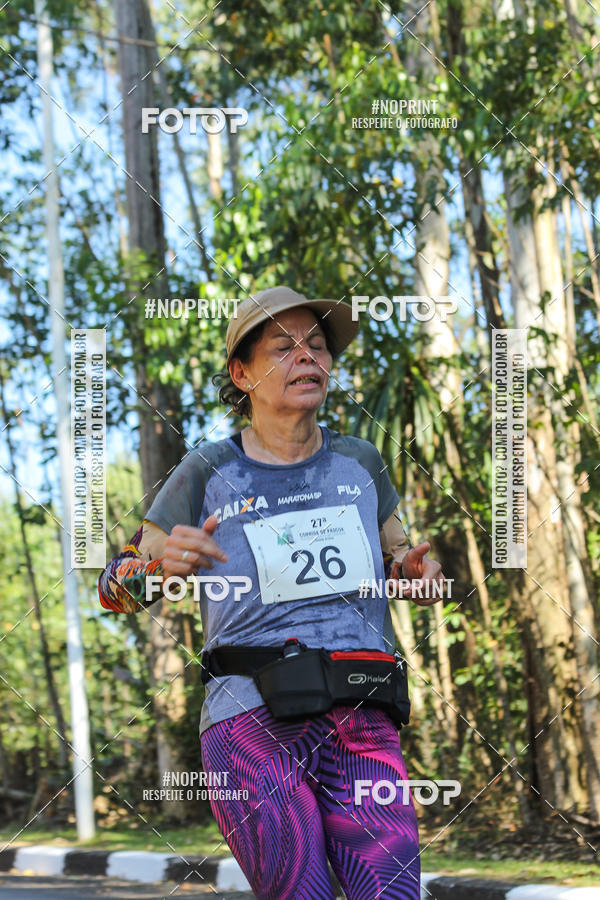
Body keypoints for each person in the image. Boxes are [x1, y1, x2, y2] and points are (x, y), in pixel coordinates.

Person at [98, 285, 445, 899]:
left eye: (316, 346)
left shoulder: (361, 461)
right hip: (252, 723)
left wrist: (416, 574)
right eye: (283, 348)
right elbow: (114, 590)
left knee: (392, 893)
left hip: (363, 714)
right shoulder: (207, 471)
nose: (306, 357)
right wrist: (159, 572)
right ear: (242, 373)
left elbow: (400, 558)